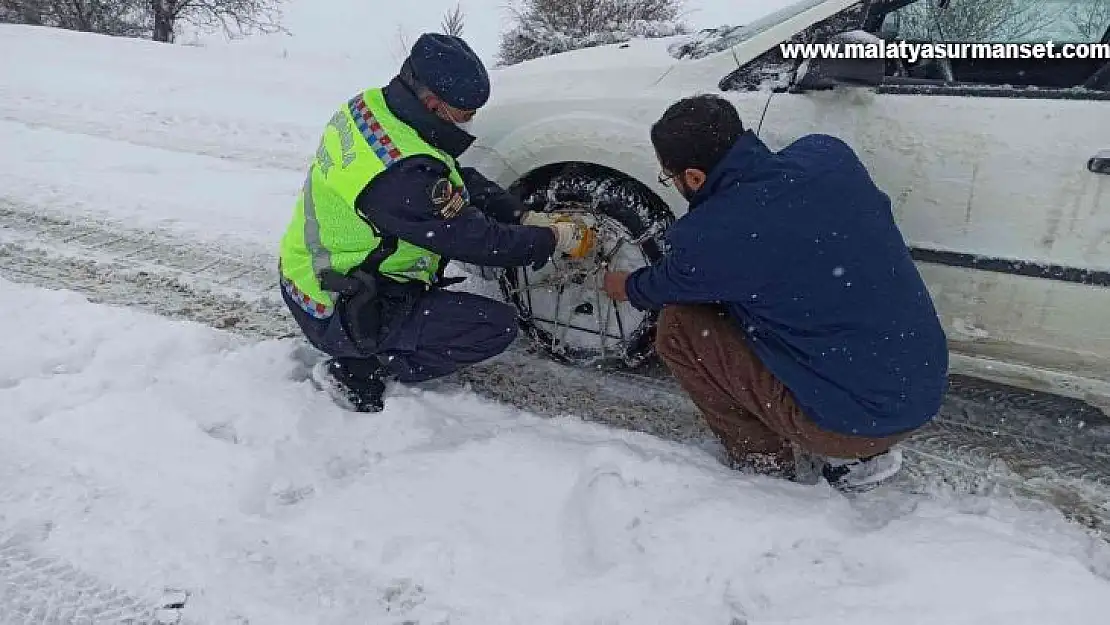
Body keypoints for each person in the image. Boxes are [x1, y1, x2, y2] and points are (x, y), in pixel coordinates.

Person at [603, 94, 949, 492]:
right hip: (922, 387)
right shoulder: (828, 156)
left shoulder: (711, 237)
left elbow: (662, 285)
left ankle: (767, 467)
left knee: (679, 327)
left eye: (671, 176)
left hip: (855, 424)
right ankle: (853, 438)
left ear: (694, 177)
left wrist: (625, 284)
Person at [278, 33, 596, 413]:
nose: (471, 120)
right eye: (465, 113)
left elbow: (453, 178)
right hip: (338, 304)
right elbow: (476, 240)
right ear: (432, 102)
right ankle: (361, 365)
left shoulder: (375, 110)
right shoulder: (401, 175)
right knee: (493, 327)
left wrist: (520, 214)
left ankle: (375, 336)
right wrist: (551, 238)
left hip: (310, 274)